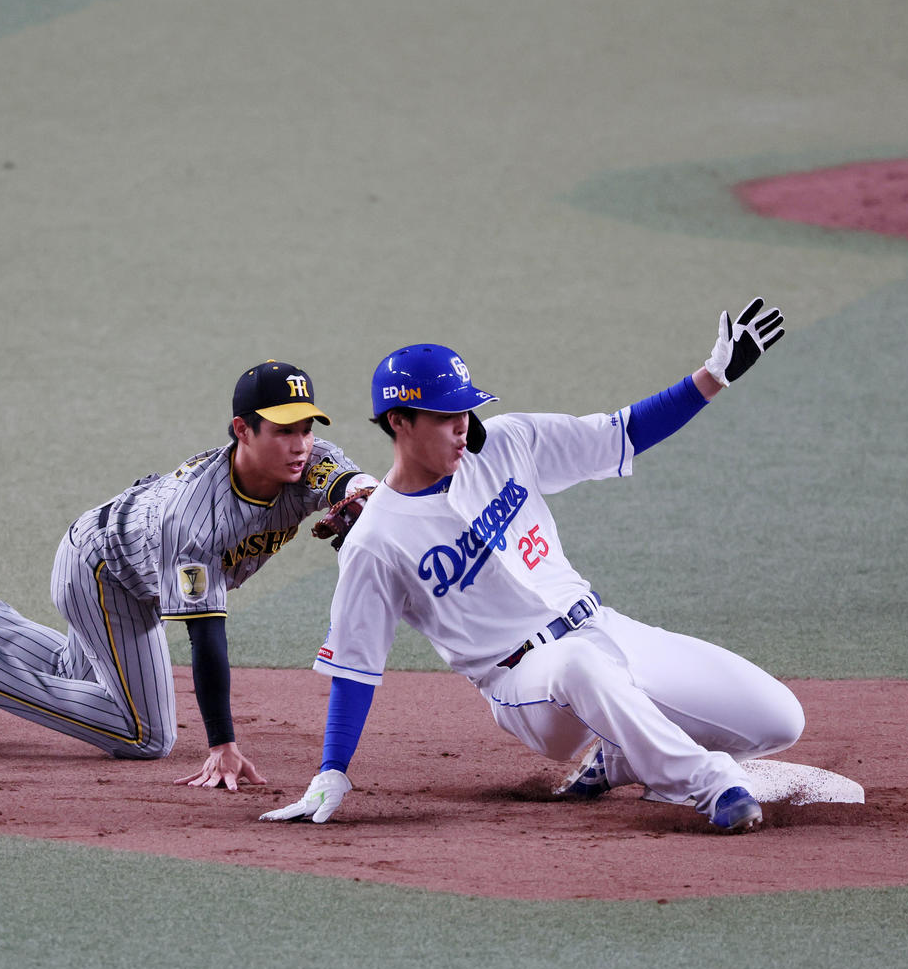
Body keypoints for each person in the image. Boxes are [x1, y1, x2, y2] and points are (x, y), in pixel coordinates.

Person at [261, 300, 805, 832]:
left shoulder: (507, 443)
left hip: (602, 627)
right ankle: (711, 786)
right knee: (575, 664)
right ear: (399, 421)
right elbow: (356, 667)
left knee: (779, 719)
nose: (463, 424)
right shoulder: (375, 540)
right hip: (524, 683)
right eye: (447, 414)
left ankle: (616, 760)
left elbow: (621, 432)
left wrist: (711, 377)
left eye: (465, 409)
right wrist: (332, 771)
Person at [0, 360, 375, 791]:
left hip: (125, 560)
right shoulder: (197, 520)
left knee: (76, 675)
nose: (300, 444)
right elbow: (206, 636)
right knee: (146, 734)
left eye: (306, 428)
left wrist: (368, 494)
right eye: (284, 430)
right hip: (102, 573)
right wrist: (222, 743)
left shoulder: (310, 459)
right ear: (242, 430)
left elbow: (347, 483)